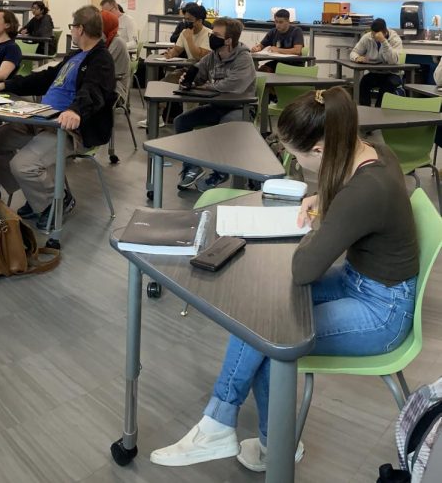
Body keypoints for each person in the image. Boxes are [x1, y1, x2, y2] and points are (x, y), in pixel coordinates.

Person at [150, 87, 418, 472]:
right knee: (262, 313)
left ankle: (270, 444)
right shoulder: (373, 151)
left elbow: (304, 268)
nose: (293, 164)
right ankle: (222, 424)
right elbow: (352, 200)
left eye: (295, 156)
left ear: (322, 149)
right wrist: (323, 201)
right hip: (364, 283)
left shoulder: (364, 192)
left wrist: (321, 223)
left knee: (274, 336)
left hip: (382, 311)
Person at [0, 5, 116, 229]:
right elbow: (44, 78)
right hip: (41, 119)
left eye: (72, 27)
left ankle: (54, 202)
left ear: (80, 29)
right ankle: (36, 195)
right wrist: (5, 84)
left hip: (68, 128)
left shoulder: (100, 59)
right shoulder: (75, 56)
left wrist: (74, 110)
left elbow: (94, 91)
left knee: (24, 165)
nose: (71, 31)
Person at [175, 17, 256, 191]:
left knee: (222, 128)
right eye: (212, 33)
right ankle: (191, 167)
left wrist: (205, 86)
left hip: (241, 108)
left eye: (216, 35)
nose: (212, 37)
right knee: (181, 121)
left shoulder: (244, 58)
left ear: (228, 40)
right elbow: (199, 72)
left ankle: (220, 172)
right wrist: (188, 80)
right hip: (217, 106)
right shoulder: (213, 56)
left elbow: (232, 86)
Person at [350, 18, 404, 106]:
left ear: (385, 32)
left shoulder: (395, 39)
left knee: (387, 87)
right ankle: (364, 110)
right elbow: (353, 52)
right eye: (373, 34)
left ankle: (379, 111)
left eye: (376, 35)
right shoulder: (368, 37)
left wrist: (383, 41)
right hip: (375, 73)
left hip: (392, 74)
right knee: (364, 82)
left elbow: (393, 61)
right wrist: (357, 58)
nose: (374, 37)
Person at [102, 10, 130, 101]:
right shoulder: (108, 41)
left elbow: (101, 66)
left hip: (116, 89)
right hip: (107, 85)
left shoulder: (117, 42)